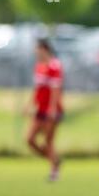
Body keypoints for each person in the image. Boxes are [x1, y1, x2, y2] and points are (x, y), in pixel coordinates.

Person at [26, 39, 63, 182]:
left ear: (45, 49)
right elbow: (37, 89)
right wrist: (29, 105)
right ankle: (54, 160)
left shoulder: (55, 66)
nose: (36, 52)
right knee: (30, 139)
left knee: (48, 141)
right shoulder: (39, 66)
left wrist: (52, 109)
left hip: (51, 110)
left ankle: (54, 170)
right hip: (40, 109)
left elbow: (55, 89)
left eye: (38, 49)